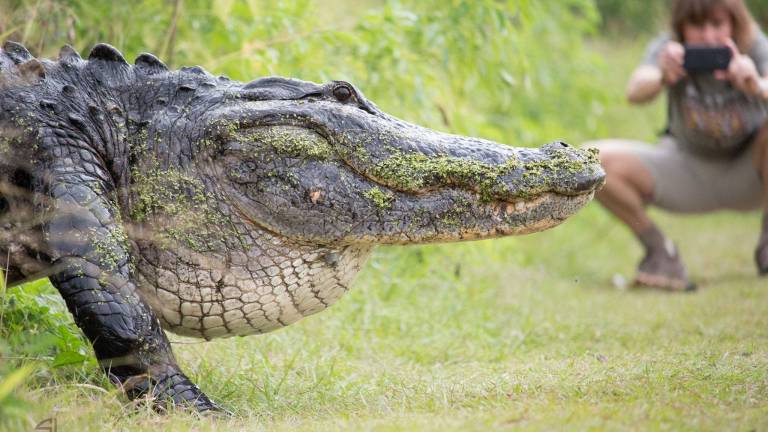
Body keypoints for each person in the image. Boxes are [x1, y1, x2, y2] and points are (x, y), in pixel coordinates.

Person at [587, 0, 768, 290]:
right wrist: (662, 75)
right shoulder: (670, 50)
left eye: (717, 25)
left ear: (734, 23)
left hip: (751, 172)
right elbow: (635, 90)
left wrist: (755, 84)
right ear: (681, 26)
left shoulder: (754, 46)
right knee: (591, 160)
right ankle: (661, 252)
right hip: (688, 168)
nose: (708, 37)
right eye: (697, 26)